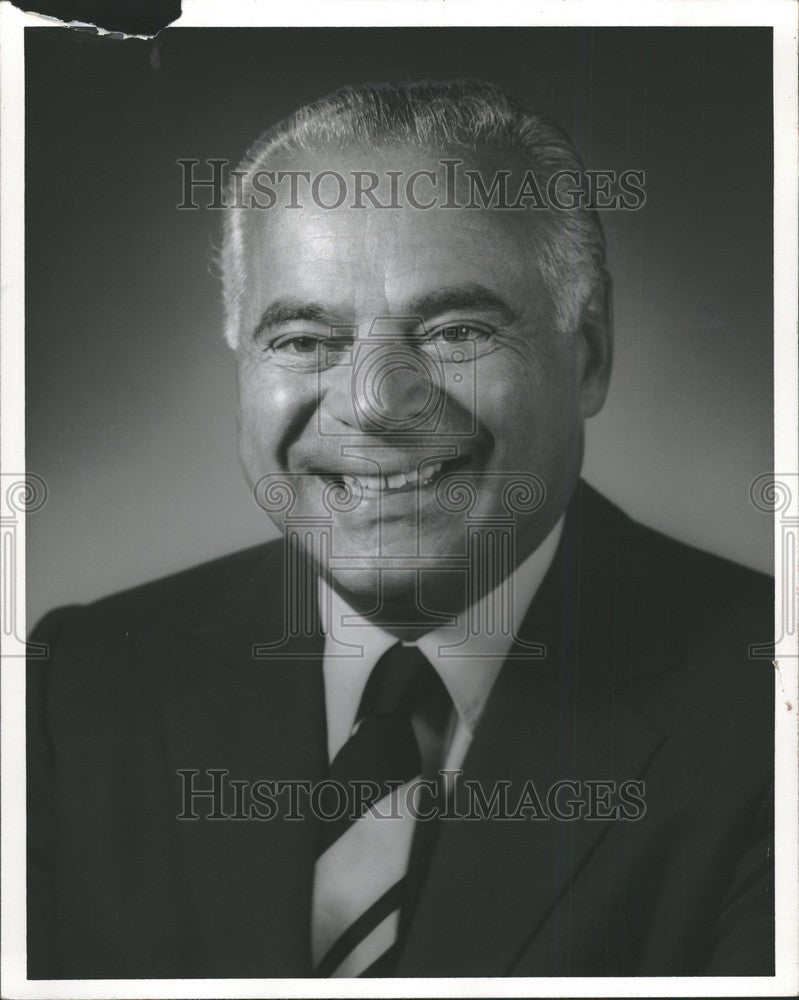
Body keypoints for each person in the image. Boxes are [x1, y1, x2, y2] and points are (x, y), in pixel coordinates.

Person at [27, 80, 774, 979]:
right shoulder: (79, 687)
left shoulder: (770, 712)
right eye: (304, 339)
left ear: (588, 352)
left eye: (454, 330)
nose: (374, 404)